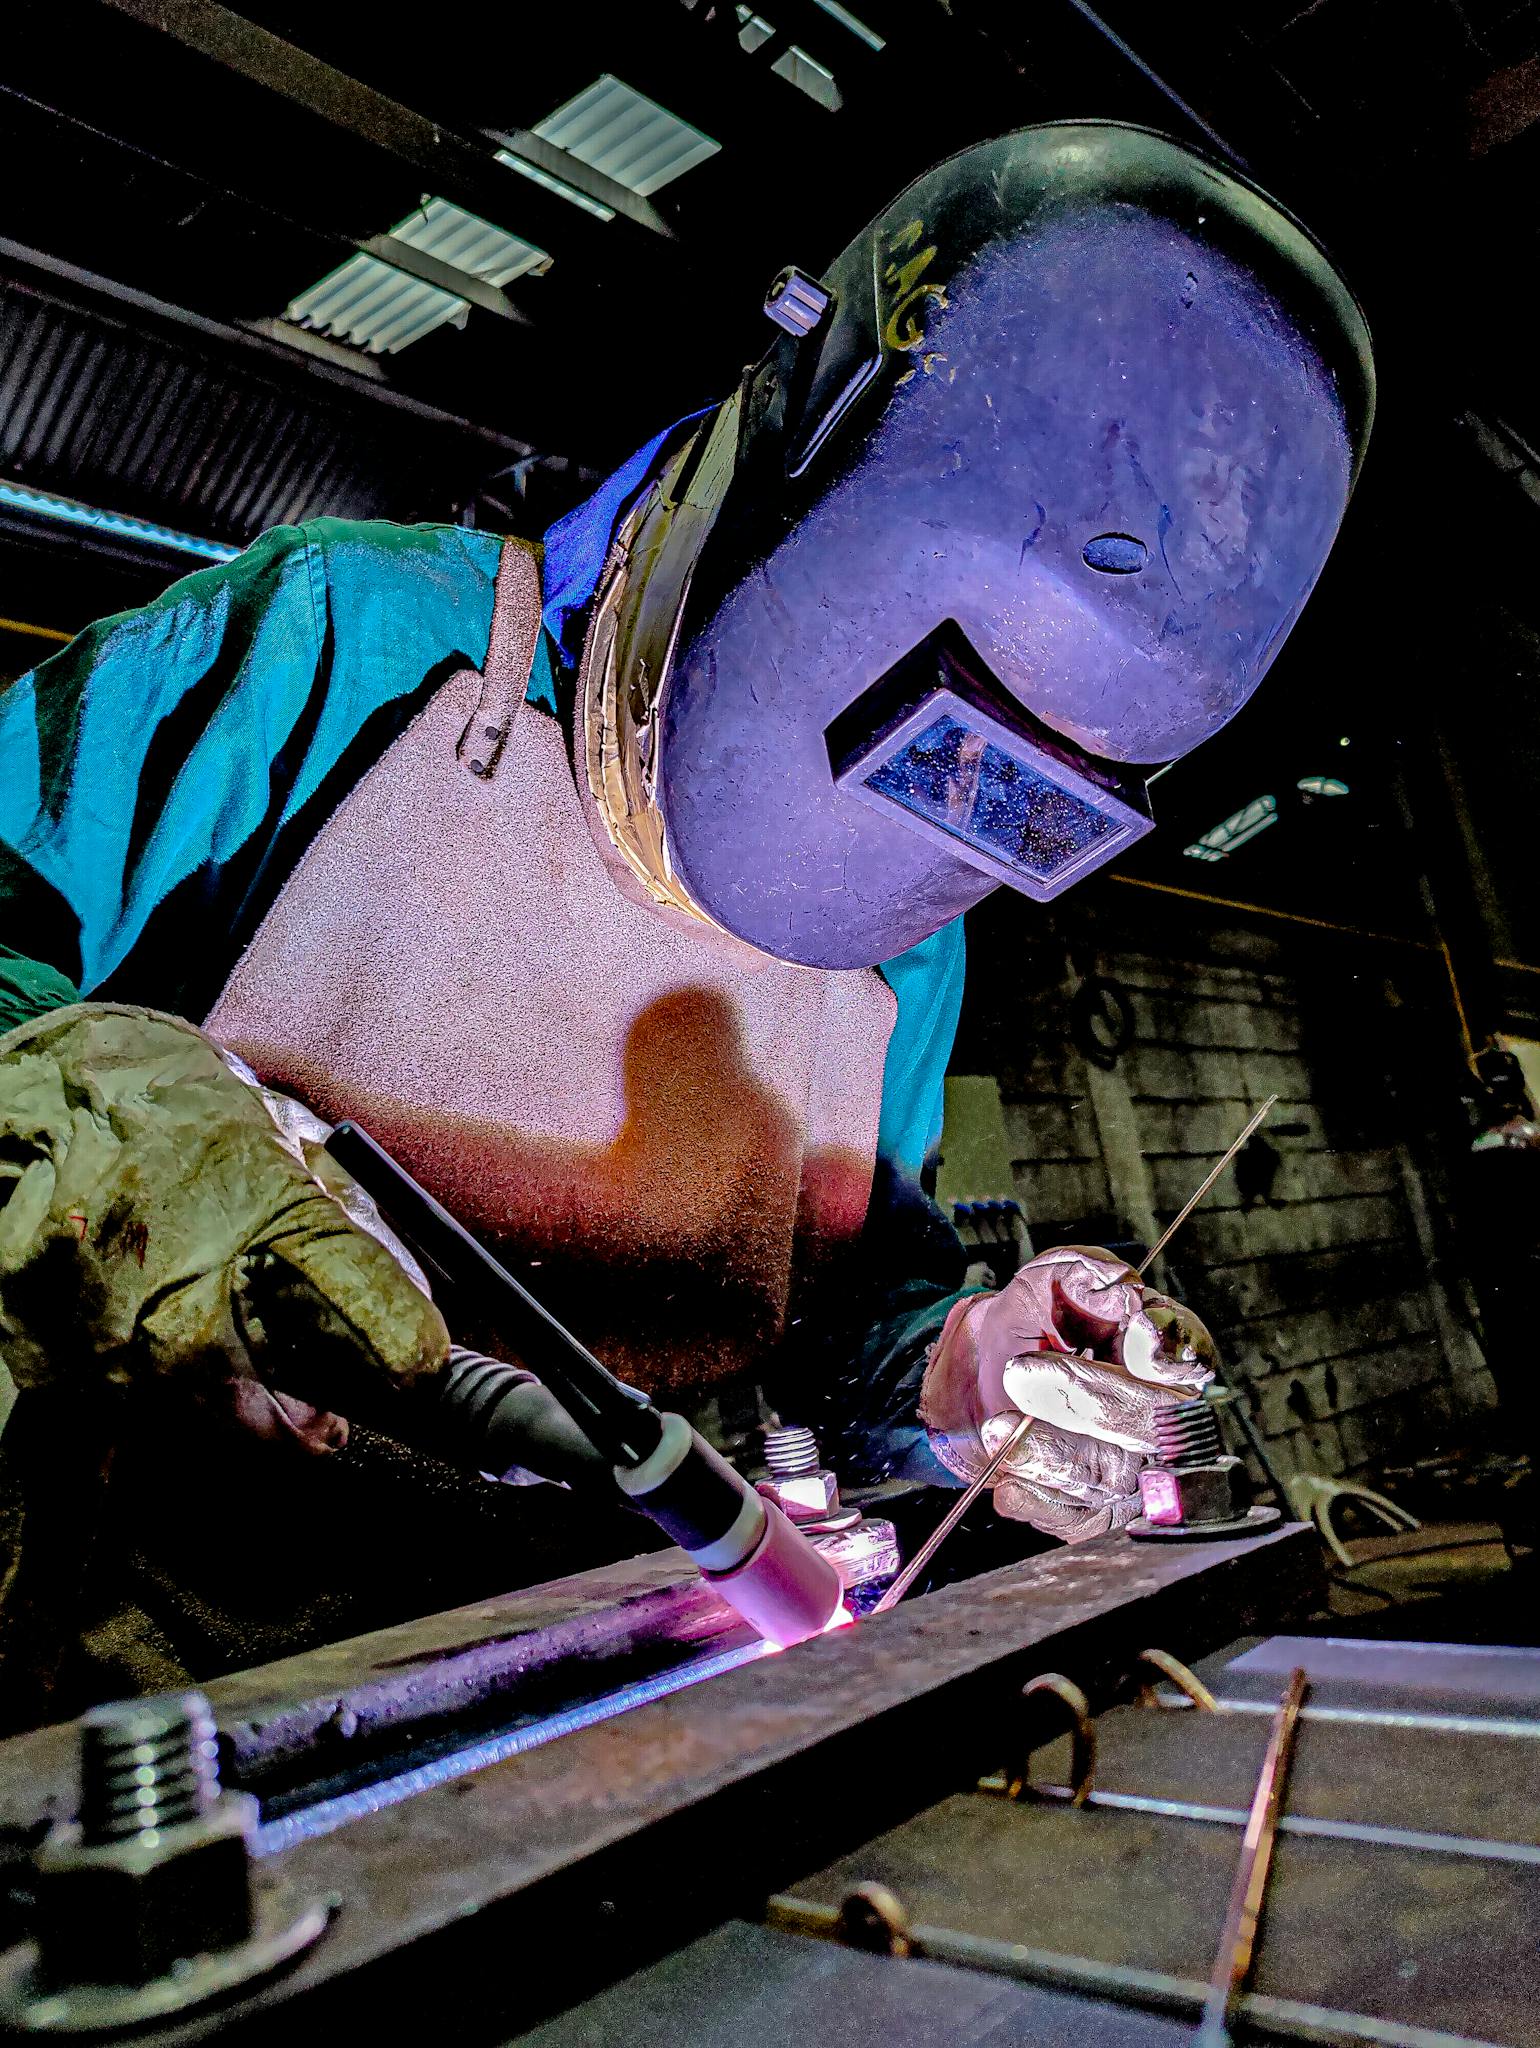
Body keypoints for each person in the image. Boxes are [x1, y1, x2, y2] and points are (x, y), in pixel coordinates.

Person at [0, 122, 1373, 1722]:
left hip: (619, 1703)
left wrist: (965, 1367)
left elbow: (835, 1321)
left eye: (1021, 787)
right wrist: (69, 1091)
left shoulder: (914, 932)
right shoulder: (348, 641)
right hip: (168, 1715)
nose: (931, 824)